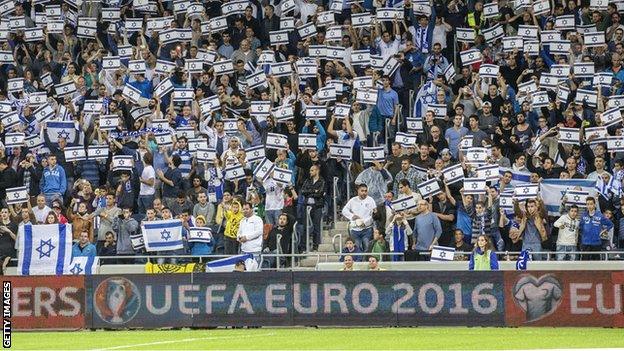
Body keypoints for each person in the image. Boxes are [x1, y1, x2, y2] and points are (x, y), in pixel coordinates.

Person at [342, 184, 377, 252]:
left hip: (367, 229)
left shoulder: (370, 200)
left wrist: (365, 223)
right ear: (358, 191)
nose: (364, 192)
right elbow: (344, 211)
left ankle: (366, 262)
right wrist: (352, 216)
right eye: (362, 191)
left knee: (367, 247)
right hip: (355, 229)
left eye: (365, 191)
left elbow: (374, 214)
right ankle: (358, 262)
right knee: (357, 248)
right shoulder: (353, 200)